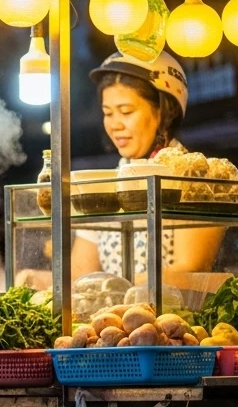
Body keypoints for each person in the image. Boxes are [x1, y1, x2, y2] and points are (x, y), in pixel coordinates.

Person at [73, 52, 224, 287]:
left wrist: (121, 288)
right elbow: (80, 274)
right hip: (114, 319)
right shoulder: (106, 183)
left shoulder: (195, 180)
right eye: (107, 113)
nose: (115, 124)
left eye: (126, 111)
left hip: (174, 320)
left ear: (166, 111)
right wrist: (36, 281)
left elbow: (189, 272)